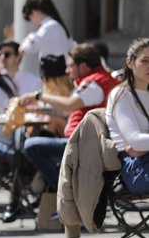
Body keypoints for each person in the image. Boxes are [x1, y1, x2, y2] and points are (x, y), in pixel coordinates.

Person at [20, 43, 119, 191]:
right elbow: (68, 111)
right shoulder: (97, 81)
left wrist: (39, 96)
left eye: (70, 65)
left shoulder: (94, 83)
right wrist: (39, 110)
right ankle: (62, 189)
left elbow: (69, 104)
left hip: (83, 146)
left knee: (31, 146)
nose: (67, 70)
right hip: (83, 143)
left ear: (83, 66)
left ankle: (64, 190)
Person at [106, 37, 149, 195]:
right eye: (145, 61)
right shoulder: (122, 94)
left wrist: (144, 147)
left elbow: (140, 144)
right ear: (130, 63)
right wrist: (142, 147)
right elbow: (135, 141)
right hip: (135, 168)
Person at [19, 0, 74, 66]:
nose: (32, 22)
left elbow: (30, 45)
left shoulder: (49, 26)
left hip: (56, 74)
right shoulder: (55, 24)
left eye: (30, 18)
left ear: (34, 12)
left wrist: (23, 44)